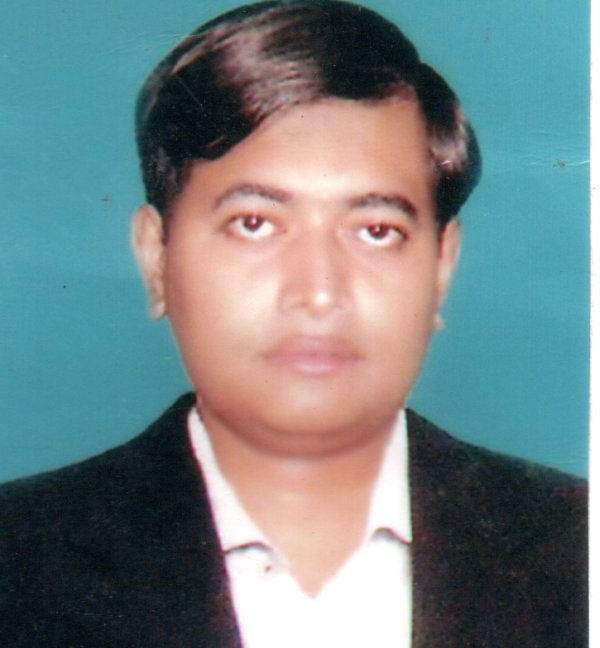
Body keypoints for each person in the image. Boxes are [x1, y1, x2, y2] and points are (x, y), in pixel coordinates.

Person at [0, 1, 586, 646]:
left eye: (376, 230)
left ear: (441, 267)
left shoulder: (576, 549)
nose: (318, 292)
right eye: (254, 224)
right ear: (156, 257)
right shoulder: (19, 560)